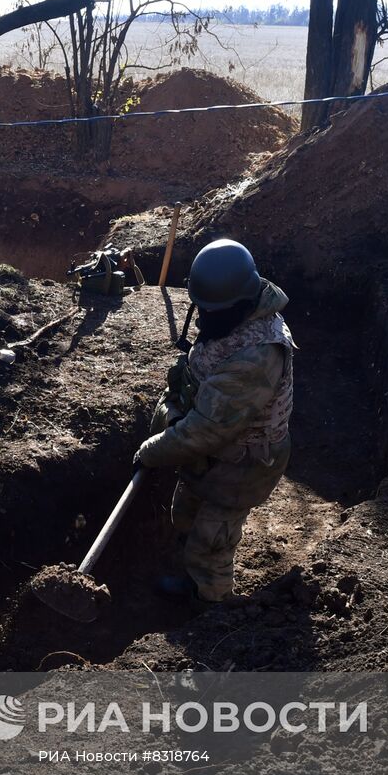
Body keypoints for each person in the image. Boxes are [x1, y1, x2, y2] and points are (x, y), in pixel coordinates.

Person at [135, 239, 295, 603]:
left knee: (211, 540)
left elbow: (207, 429)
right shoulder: (232, 318)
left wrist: (152, 450)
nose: (205, 318)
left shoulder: (256, 356)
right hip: (213, 452)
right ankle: (191, 574)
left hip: (245, 463)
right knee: (186, 513)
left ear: (239, 302)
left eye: (212, 311)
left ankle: (210, 608)